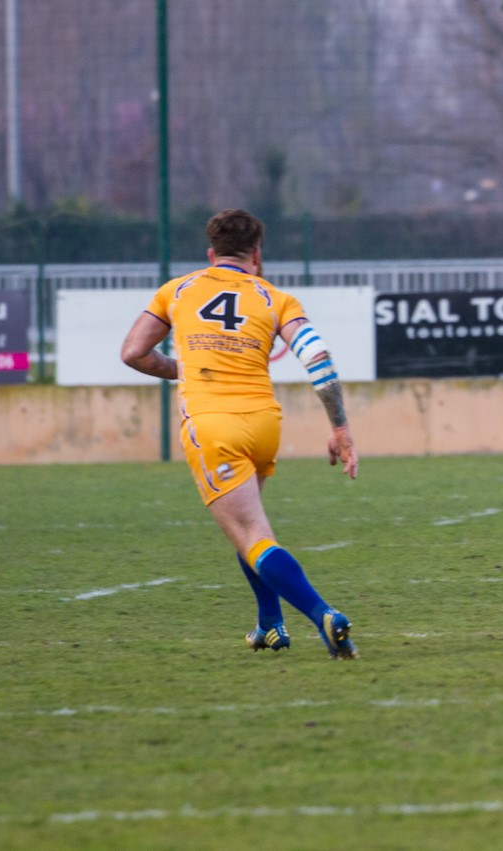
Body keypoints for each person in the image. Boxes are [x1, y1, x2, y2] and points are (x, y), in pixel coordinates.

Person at [120, 209, 360, 660]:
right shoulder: (276, 298)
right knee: (250, 529)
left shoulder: (178, 290)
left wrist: (182, 369)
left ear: (211, 254)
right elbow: (318, 359)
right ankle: (270, 625)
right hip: (263, 423)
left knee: (250, 533)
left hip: (213, 425)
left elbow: (133, 352)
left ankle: (324, 615)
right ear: (257, 254)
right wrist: (340, 428)